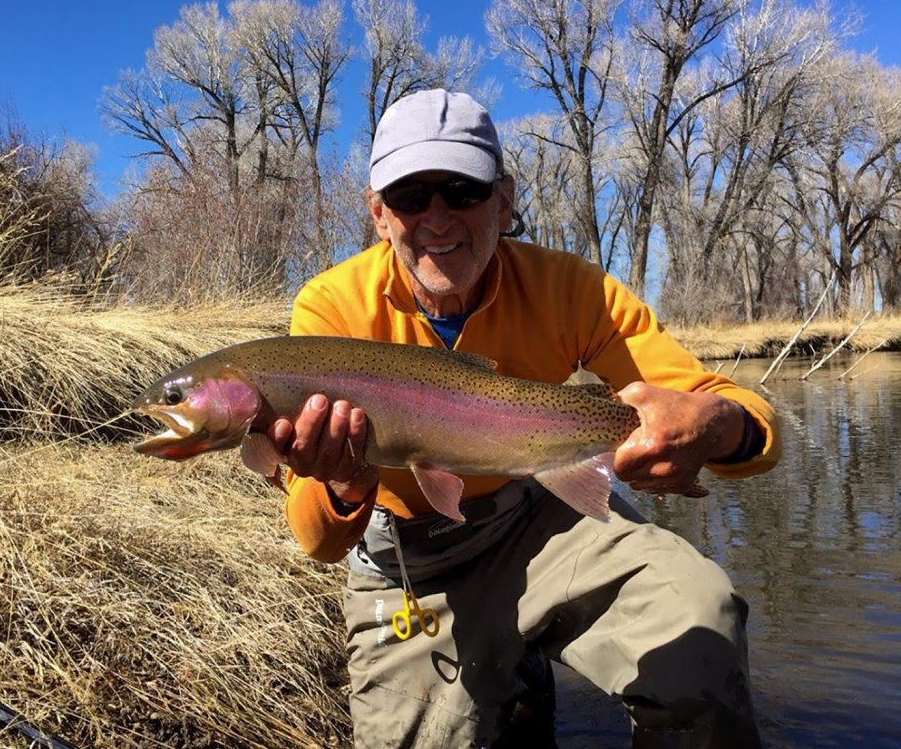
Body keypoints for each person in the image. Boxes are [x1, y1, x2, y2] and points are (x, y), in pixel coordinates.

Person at [266, 89, 781, 749]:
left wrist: (716, 425)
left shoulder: (571, 289)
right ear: (377, 214)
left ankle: (527, 666)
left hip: (539, 514)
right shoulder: (332, 310)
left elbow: (746, 418)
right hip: (409, 562)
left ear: (504, 201)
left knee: (699, 628)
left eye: (462, 190)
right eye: (409, 197)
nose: (437, 217)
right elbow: (321, 543)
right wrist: (344, 485)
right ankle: (519, 679)